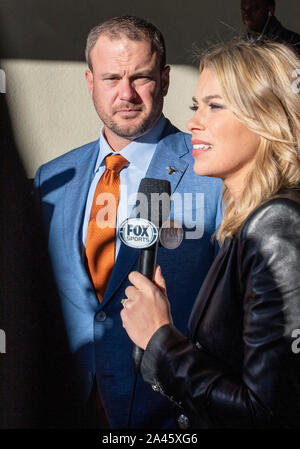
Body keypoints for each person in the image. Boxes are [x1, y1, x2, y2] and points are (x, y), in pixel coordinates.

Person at [34, 16, 222, 428]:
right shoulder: (52, 178)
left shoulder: (214, 173)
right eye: (111, 78)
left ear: (166, 79)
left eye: (140, 77)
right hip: (70, 403)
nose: (126, 94)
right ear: (89, 82)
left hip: (171, 412)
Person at [121, 39, 300, 429]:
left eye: (214, 106)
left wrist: (160, 338)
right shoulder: (249, 221)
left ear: (266, 116)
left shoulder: (278, 224)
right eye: (195, 106)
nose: (193, 122)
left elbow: (265, 412)